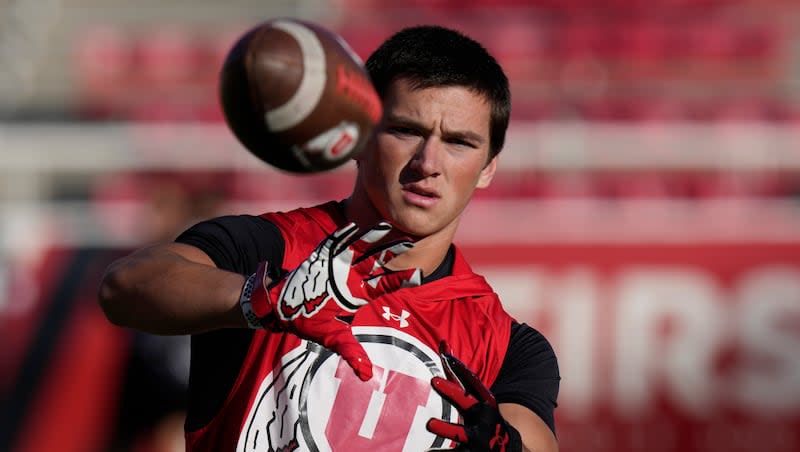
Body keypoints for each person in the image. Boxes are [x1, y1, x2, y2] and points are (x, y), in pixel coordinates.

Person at [99, 24, 560, 452]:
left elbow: (533, 438)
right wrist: (259, 300)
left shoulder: (508, 346)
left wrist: (504, 445)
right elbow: (124, 287)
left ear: (489, 168)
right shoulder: (270, 251)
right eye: (405, 130)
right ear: (359, 136)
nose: (428, 162)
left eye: (460, 142)